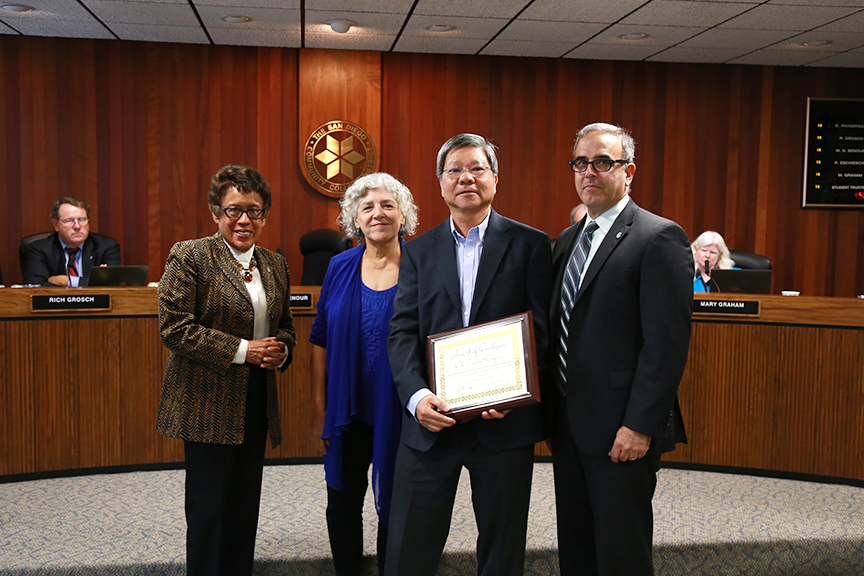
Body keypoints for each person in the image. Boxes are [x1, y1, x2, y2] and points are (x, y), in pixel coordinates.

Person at [385, 134, 552, 576]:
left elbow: (541, 331)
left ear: (495, 178)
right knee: (409, 548)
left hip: (503, 424)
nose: (466, 178)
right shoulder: (417, 251)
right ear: (440, 183)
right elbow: (402, 332)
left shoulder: (531, 244)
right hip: (430, 423)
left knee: (501, 548)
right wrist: (418, 397)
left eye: (477, 168)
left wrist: (513, 391)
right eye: (455, 169)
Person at [550, 123, 693, 576]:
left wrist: (639, 426)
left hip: (621, 432)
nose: (589, 171)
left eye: (602, 162)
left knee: (621, 554)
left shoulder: (659, 237)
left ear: (628, 171)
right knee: (577, 547)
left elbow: (665, 346)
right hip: (568, 426)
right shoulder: (568, 241)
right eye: (580, 162)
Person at [156, 165, 297, 576]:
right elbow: (175, 328)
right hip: (206, 400)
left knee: (243, 505)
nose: (244, 220)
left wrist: (280, 351)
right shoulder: (191, 255)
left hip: (255, 397)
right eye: (234, 210)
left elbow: (284, 324)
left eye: (254, 211)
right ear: (216, 212)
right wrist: (243, 350)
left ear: (264, 216)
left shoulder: (274, 264)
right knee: (208, 510)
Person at [309, 173, 419, 576]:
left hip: (404, 411)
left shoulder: (421, 264)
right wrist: (319, 406)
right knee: (342, 501)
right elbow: (319, 337)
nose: (378, 214)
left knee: (397, 503)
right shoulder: (338, 267)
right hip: (347, 411)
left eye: (388, 205)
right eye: (367, 206)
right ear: (354, 218)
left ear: (403, 215)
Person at [22, 196, 121, 286]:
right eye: (69, 220)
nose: (77, 226)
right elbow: (35, 287)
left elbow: (115, 284)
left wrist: (66, 281)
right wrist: (95, 281)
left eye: (81, 219)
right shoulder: (38, 249)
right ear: (56, 225)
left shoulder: (106, 247)